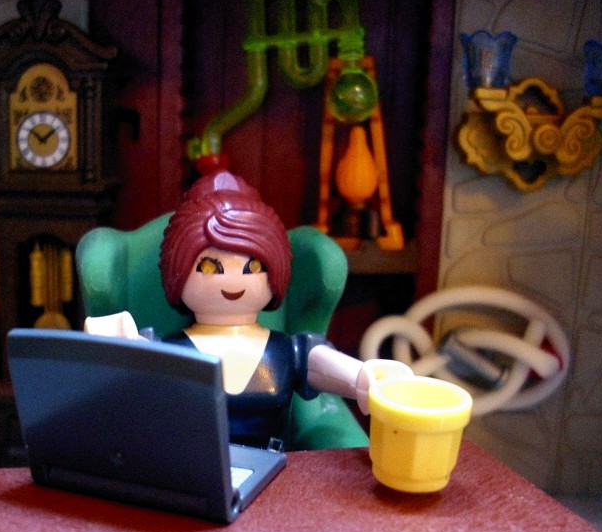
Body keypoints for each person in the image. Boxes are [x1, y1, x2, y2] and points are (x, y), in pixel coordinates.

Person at [85, 169, 410, 449]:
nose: (233, 280)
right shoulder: (169, 351)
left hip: (272, 478)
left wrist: (367, 378)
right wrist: (112, 345)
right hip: (193, 475)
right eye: (209, 267)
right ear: (177, 273)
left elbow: (329, 369)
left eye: (253, 266)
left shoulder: (288, 351)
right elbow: (115, 368)